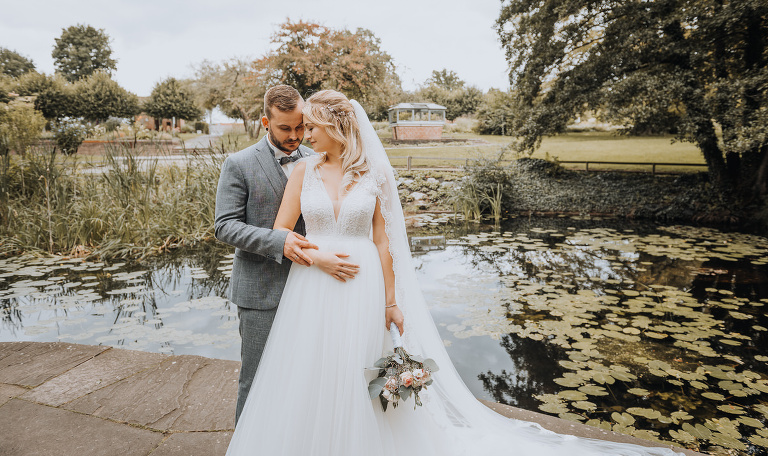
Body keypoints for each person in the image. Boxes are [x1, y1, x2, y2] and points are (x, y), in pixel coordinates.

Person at [225, 90, 684, 455]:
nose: (305, 132)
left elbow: (383, 243)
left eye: (312, 126)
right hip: (312, 282)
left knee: (357, 367)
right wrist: (318, 257)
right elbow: (284, 232)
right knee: (310, 369)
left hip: (362, 286)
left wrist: (391, 301)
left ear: (336, 128)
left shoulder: (373, 174)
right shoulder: (303, 169)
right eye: (301, 127)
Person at [214, 85, 360, 424]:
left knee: (305, 381)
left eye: (301, 126)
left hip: (313, 289)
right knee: (257, 379)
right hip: (261, 291)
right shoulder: (239, 164)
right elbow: (224, 226)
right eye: (285, 128)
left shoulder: (317, 159)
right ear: (266, 121)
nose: (296, 135)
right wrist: (278, 243)